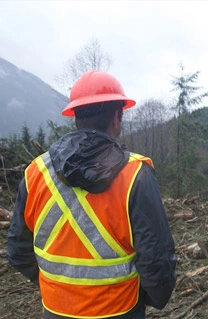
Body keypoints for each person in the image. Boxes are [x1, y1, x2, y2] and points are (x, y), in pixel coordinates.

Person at [7, 70, 177, 318]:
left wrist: (56, 289)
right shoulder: (136, 175)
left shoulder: (35, 173)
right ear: (117, 117)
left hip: (55, 309)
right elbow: (156, 260)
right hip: (120, 310)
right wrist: (147, 299)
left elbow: (18, 251)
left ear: (76, 117)